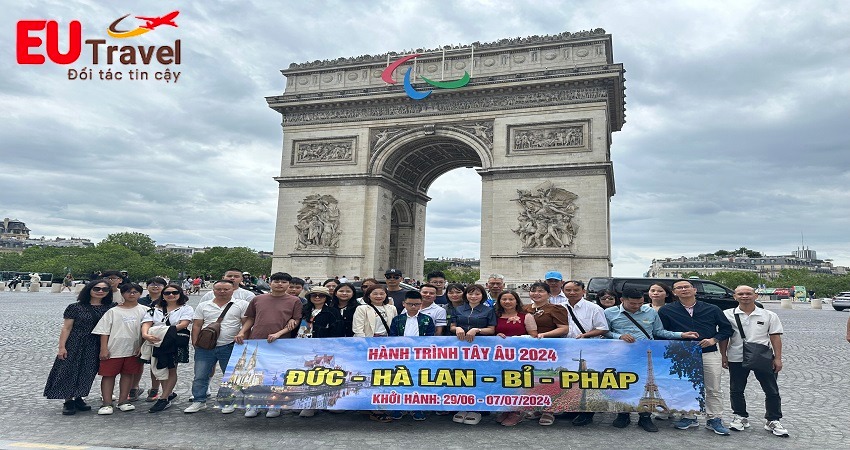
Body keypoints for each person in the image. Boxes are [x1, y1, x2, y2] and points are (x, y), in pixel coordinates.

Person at [604, 287, 699, 432]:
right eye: (632, 304)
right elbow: (605, 332)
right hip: (620, 355)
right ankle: (623, 414)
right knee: (623, 384)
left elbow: (659, 332)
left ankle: (645, 417)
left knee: (644, 383)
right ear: (622, 300)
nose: (637, 307)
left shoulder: (650, 312)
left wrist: (681, 335)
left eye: (640, 303)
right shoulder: (609, 313)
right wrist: (619, 336)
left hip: (645, 354)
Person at [659, 279, 734, 435]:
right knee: (686, 387)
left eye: (686, 287)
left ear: (694, 290)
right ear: (674, 292)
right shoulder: (666, 310)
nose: (684, 290)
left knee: (713, 388)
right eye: (679, 288)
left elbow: (726, 329)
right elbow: (661, 332)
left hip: (709, 352)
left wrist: (713, 339)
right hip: (682, 353)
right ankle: (689, 415)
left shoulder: (712, 308)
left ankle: (714, 418)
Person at [719, 285, 788, 437]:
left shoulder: (769, 315)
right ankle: (740, 416)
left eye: (748, 293)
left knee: (771, 390)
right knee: (736, 389)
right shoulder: (727, 315)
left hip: (763, 356)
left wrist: (778, 358)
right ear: (734, 297)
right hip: (736, 356)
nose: (745, 296)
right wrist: (723, 355)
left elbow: (775, 337)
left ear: (755, 296)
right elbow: (724, 337)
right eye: (741, 294)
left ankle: (773, 419)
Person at [44, 279, 116, 415]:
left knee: (87, 372)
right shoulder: (75, 307)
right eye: (97, 289)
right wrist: (61, 347)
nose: (100, 291)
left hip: (96, 344)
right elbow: (66, 328)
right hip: (76, 342)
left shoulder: (111, 307)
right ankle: (68, 400)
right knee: (69, 370)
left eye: (105, 289)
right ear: (89, 290)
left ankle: (79, 397)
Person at [235, 272, 302, 419]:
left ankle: (275, 405)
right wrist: (242, 332)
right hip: (257, 341)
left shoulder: (294, 301)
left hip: (281, 342)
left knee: (277, 375)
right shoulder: (257, 299)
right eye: (276, 281)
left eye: (284, 282)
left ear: (288, 285)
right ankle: (254, 405)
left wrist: (279, 333)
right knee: (255, 375)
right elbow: (250, 318)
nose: (280, 284)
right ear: (270, 283)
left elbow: (295, 321)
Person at [184, 280, 250, 414]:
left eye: (226, 289)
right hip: (205, 346)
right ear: (213, 290)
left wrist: (244, 340)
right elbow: (197, 325)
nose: (222, 292)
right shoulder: (203, 305)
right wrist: (195, 342)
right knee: (200, 375)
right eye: (219, 289)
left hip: (230, 345)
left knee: (230, 376)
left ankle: (228, 402)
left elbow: (245, 324)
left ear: (233, 290)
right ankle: (199, 401)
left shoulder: (241, 304)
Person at [91, 283, 148, 415]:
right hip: (113, 349)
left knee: (128, 375)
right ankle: (106, 402)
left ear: (140, 294)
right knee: (108, 375)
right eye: (128, 292)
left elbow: (148, 329)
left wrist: (142, 346)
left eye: (135, 292)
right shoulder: (113, 311)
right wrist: (103, 348)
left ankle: (123, 400)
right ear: (122, 294)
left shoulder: (145, 310)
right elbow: (104, 331)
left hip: (133, 349)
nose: (131, 294)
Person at [141, 284, 194, 412]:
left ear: (180, 294)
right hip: (156, 341)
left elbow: (183, 324)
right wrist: (145, 334)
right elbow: (147, 323)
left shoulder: (186, 309)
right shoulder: (154, 309)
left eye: (174, 292)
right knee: (159, 366)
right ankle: (168, 392)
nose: (171, 295)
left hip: (172, 341)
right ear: (163, 295)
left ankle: (164, 398)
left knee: (171, 368)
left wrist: (162, 331)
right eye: (167, 293)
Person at [562, 279, 608, 426]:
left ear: (584, 291)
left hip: (589, 348)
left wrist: (585, 335)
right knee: (570, 380)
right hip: (566, 348)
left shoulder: (594, 308)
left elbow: (603, 328)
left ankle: (587, 413)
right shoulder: (559, 307)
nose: (572, 293)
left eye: (576, 290)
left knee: (588, 382)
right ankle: (572, 410)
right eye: (568, 290)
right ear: (563, 291)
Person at [522, 282, 569, 425]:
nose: (536, 294)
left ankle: (550, 410)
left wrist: (544, 335)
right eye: (533, 291)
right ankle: (537, 407)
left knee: (548, 379)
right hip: (528, 351)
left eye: (540, 291)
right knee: (532, 380)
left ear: (548, 294)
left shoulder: (556, 308)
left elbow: (563, 329)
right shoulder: (525, 309)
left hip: (549, 349)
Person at [294, 286, 344, 417]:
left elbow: (337, 330)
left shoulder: (332, 312)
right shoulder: (304, 310)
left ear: (326, 298)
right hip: (303, 347)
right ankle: (304, 403)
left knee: (320, 377)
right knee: (303, 377)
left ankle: (317, 404)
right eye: (314, 295)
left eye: (321, 295)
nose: (317, 297)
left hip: (323, 349)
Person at [450, 284, 496, 425]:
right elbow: (452, 326)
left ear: (482, 296)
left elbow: (492, 329)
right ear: (466, 295)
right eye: (470, 294)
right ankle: (463, 406)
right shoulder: (458, 309)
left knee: (478, 378)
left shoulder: (489, 310)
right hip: (460, 350)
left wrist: (477, 330)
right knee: (461, 377)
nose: (473, 297)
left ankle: (477, 409)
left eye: (477, 294)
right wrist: (456, 327)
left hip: (480, 350)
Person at [388, 291, 435, 421]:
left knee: (418, 380)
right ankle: (399, 407)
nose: (413, 307)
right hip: (400, 355)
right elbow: (392, 336)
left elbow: (431, 337)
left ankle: (417, 408)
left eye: (416, 304)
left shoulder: (427, 319)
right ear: (404, 304)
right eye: (410, 304)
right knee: (399, 380)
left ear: (421, 304)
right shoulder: (397, 319)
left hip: (421, 355)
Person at [494, 290, 538, 427]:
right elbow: (490, 331)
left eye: (511, 299)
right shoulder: (495, 316)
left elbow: (533, 335)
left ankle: (517, 412)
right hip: (499, 356)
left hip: (520, 356)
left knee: (517, 383)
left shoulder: (526, 316)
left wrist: (516, 339)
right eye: (504, 299)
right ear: (499, 301)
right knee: (503, 383)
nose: (507, 302)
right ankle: (507, 409)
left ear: (516, 301)